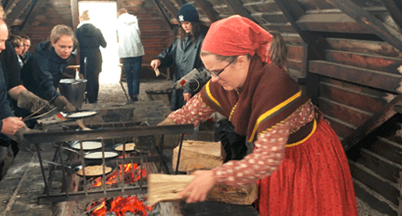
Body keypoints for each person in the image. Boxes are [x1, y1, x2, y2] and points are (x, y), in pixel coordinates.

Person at [159, 16, 358, 215]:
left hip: (308, 156)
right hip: (275, 156)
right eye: (209, 72)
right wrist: (168, 124)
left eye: (217, 72)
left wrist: (213, 177)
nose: (213, 79)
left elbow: (266, 160)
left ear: (240, 60)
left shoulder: (274, 86)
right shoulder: (224, 81)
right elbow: (194, 109)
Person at [150, 3, 208, 110]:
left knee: (191, 117)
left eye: (187, 23)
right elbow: (169, 54)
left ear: (194, 22)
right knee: (178, 116)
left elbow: (206, 69)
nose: (184, 26)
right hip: (179, 86)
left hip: (194, 89)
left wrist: (189, 86)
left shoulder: (203, 41)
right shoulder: (181, 39)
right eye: (182, 23)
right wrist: (159, 59)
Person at [20, 24, 77, 113]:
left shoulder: (61, 54)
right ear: (53, 43)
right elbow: (45, 81)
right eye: (62, 46)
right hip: (26, 97)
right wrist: (57, 98)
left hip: (44, 94)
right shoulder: (41, 57)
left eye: (70, 47)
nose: (67, 51)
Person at [75, 10, 107, 103]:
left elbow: (74, 45)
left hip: (84, 55)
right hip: (96, 55)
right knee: (95, 77)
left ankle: (88, 97)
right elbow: (104, 44)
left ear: (81, 19)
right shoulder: (97, 30)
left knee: (85, 77)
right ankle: (94, 98)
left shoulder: (77, 31)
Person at [116, 8, 144, 103]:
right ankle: (135, 94)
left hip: (125, 52)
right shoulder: (134, 19)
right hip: (136, 51)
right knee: (136, 74)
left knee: (128, 75)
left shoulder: (118, 22)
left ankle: (130, 94)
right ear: (126, 11)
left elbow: (117, 38)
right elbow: (138, 32)